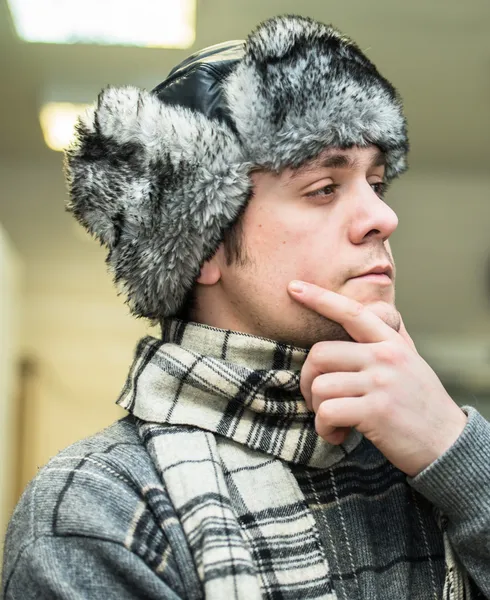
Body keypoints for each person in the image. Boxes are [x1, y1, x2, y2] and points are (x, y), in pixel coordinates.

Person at [2, 14, 489, 600]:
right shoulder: (101, 509)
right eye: (324, 188)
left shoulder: (429, 453)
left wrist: (457, 457)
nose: (384, 218)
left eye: (376, 184)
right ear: (202, 243)